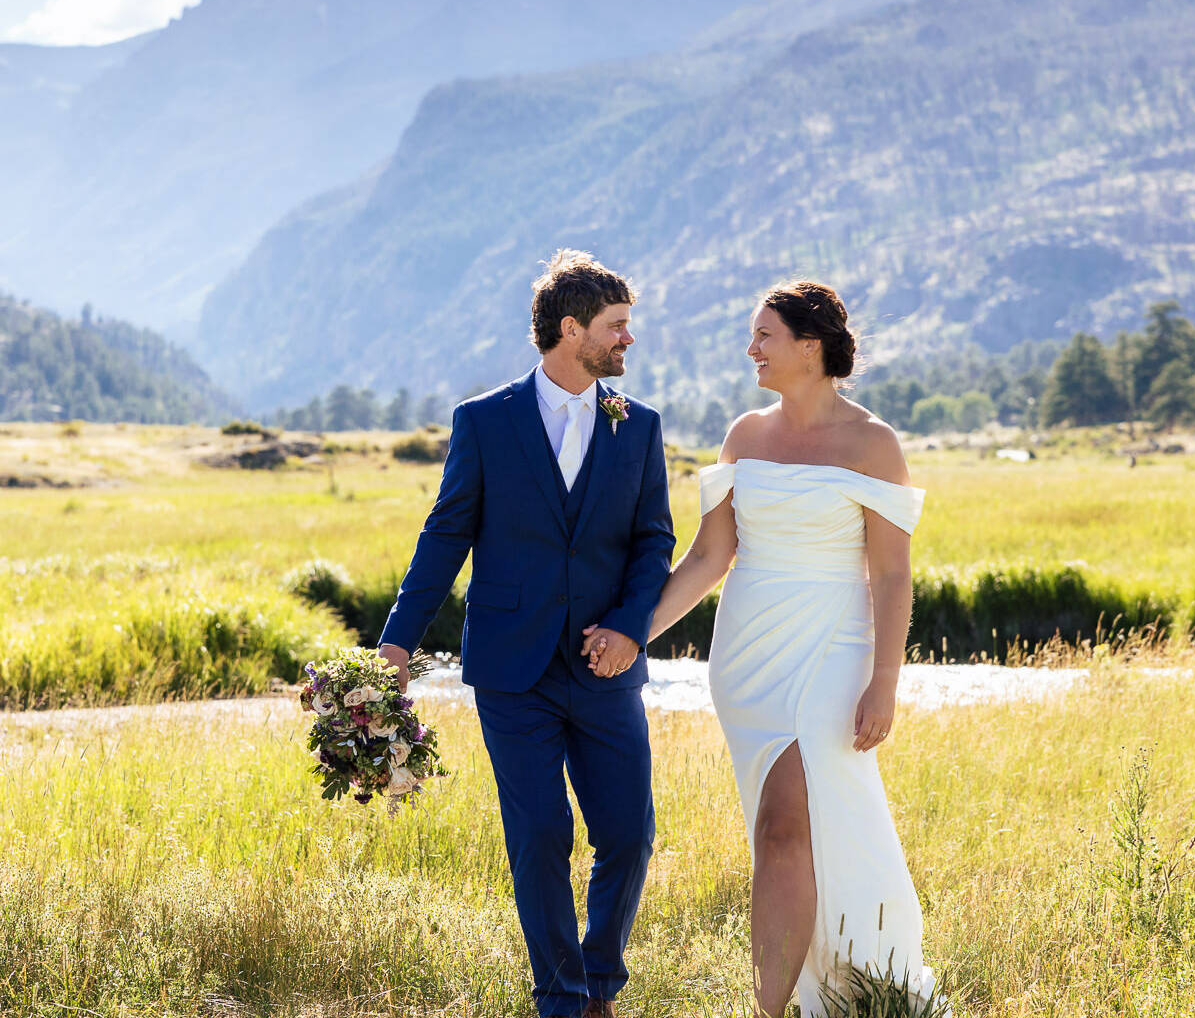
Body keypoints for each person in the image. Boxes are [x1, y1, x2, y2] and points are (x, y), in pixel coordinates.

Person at [376, 249, 676, 1018]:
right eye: (616, 327)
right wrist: (398, 643)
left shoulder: (637, 427)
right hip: (513, 669)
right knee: (540, 834)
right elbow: (446, 535)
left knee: (629, 835)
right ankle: (563, 998)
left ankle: (600, 978)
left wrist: (629, 631)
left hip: (607, 668)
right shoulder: (484, 421)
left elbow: (652, 543)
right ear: (570, 329)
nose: (627, 342)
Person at [634, 280, 938, 1016]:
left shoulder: (873, 443)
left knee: (786, 820)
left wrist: (884, 683)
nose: (751, 350)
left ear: (810, 346)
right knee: (776, 833)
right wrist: (628, 634)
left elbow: (891, 573)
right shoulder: (745, 436)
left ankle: (829, 991)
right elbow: (710, 558)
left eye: (764, 335)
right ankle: (788, 1004)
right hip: (748, 654)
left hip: (836, 648)